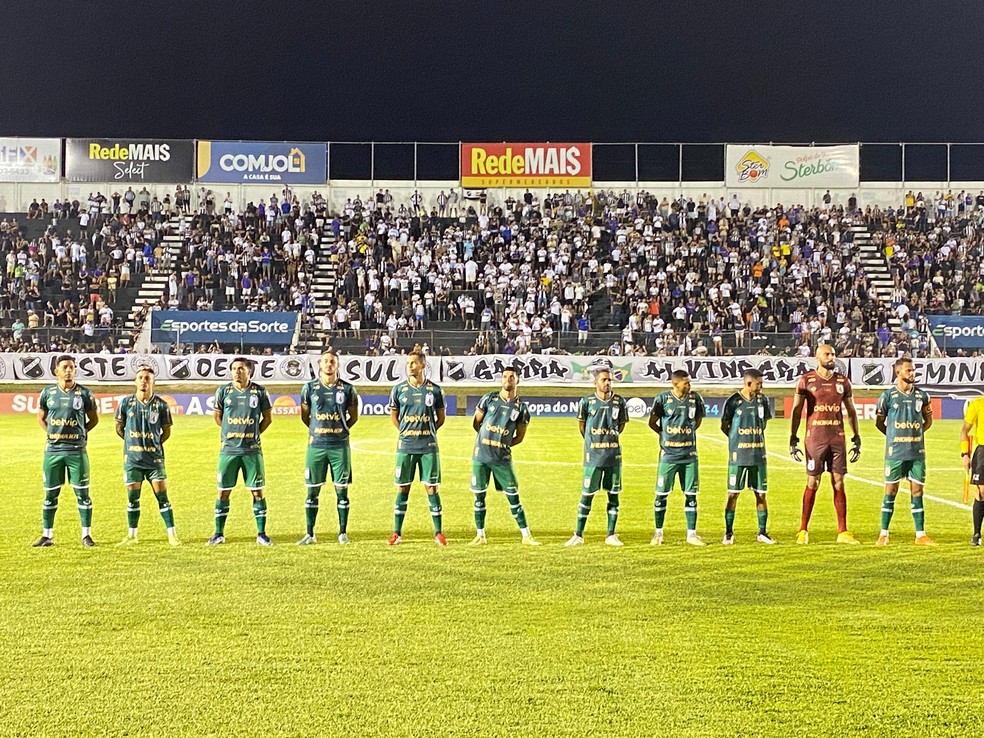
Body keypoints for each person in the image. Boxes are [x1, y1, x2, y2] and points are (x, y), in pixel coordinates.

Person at [789, 344, 862, 544]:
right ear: (818, 357)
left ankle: (843, 531)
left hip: (837, 438)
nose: (831, 357)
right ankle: (803, 530)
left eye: (833, 354)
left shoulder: (842, 381)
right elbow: (797, 410)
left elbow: (851, 411)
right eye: (827, 354)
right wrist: (793, 436)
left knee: (838, 481)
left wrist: (856, 436)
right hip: (815, 439)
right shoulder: (806, 380)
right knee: (813, 481)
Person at [469, 366, 540, 546]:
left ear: (518, 380)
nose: (508, 379)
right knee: (479, 496)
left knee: (513, 496)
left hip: (502, 459)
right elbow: (476, 423)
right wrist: (486, 440)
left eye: (511, 377)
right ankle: (480, 536)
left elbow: (519, 437)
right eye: (505, 376)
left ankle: (526, 536)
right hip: (481, 456)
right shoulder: (489, 399)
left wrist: (502, 444)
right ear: (501, 379)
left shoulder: (521, 408)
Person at [33, 355, 99, 547]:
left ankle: (86, 535)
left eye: (71, 367)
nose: (69, 370)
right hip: (53, 451)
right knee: (50, 495)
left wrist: (81, 433)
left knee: (83, 494)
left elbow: (94, 419)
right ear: (57, 371)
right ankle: (47, 535)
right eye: (65, 367)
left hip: (76, 451)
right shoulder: (47, 393)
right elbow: (41, 417)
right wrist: (51, 433)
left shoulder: (85, 394)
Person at [208, 357, 273, 546]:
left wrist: (253, 434)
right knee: (223, 493)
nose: (237, 371)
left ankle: (261, 534)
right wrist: (230, 434)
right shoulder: (223, 391)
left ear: (249, 371)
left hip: (252, 451)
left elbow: (267, 418)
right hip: (229, 450)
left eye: (241, 368)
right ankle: (218, 533)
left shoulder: (259, 392)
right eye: (234, 368)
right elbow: (218, 417)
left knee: (258, 492)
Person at [297, 350, 359, 545]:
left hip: (339, 447)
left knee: (342, 491)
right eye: (325, 361)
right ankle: (310, 534)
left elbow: (353, 416)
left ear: (337, 365)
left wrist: (340, 430)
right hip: (316, 446)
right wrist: (318, 431)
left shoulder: (347, 389)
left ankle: (342, 533)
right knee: (312, 492)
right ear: (320, 364)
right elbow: (305, 416)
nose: (329, 364)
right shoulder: (309, 388)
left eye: (332, 361)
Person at [114, 366, 180, 546]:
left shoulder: (161, 405)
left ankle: (172, 535)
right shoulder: (126, 403)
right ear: (135, 382)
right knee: (132, 499)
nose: (143, 381)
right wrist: (132, 443)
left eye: (147, 378)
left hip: (154, 461)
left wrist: (153, 444)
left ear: (153, 382)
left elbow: (166, 432)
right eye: (140, 378)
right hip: (132, 460)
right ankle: (132, 535)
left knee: (162, 498)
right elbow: (119, 428)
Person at [388, 348, 447, 546]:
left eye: (413, 363)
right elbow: (394, 416)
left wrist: (428, 431)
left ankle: (438, 533)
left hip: (428, 447)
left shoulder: (435, 390)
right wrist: (405, 432)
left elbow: (441, 418)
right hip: (406, 446)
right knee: (403, 487)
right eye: (408, 363)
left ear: (423, 365)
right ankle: (397, 533)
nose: (410, 366)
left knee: (432, 487)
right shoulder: (398, 390)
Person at [875, 358, 936, 546]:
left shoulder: (922, 396)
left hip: (917, 452)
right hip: (895, 453)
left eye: (913, 370)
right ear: (898, 372)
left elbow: (928, 421)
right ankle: (883, 533)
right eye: (908, 370)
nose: (912, 373)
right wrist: (893, 436)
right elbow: (879, 423)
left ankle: (920, 535)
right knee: (890, 491)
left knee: (917, 491)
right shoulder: (887, 396)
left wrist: (915, 434)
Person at [565, 366, 628, 547]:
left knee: (613, 495)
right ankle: (578, 534)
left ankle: (611, 535)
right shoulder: (587, 402)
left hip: (613, 456)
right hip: (592, 456)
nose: (607, 383)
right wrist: (593, 442)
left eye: (609, 380)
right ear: (595, 382)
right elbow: (582, 427)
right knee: (587, 495)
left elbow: (621, 425)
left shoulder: (619, 401)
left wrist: (610, 440)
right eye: (603, 380)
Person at [649, 369, 706, 546]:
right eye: (686, 383)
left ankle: (691, 534)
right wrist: (664, 435)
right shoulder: (662, 399)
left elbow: (697, 421)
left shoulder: (695, 399)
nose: (689, 385)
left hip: (689, 455)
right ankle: (658, 533)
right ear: (675, 384)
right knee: (661, 495)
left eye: (689, 382)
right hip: (668, 455)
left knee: (691, 495)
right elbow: (652, 422)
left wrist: (687, 433)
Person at [720, 369, 775, 545]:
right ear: (749, 383)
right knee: (733, 494)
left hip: (758, 455)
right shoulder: (733, 401)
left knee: (761, 494)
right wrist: (737, 440)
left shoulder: (763, 400)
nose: (761, 386)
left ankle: (762, 532)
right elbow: (725, 425)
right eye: (759, 383)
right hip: (739, 456)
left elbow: (763, 424)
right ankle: (728, 533)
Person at [961, 393, 984, 546]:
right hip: (983, 452)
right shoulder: (977, 404)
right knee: (982, 492)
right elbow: (965, 430)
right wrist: (965, 454)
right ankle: (976, 533)